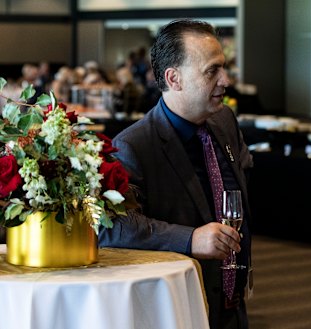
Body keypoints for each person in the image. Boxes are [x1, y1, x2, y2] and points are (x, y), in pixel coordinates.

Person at [98, 19, 253, 329]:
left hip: (232, 306)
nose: (225, 80)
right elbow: (115, 228)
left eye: (223, 68)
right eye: (212, 71)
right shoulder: (133, 145)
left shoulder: (224, 121)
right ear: (174, 78)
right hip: (179, 308)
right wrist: (190, 239)